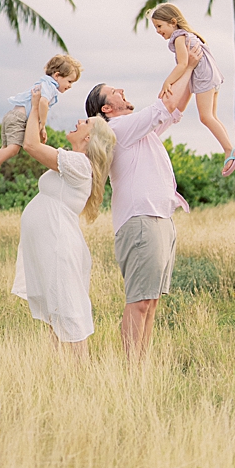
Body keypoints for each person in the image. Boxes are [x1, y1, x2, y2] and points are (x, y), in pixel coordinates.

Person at [83, 64, 198, 360]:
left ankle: (140, 366)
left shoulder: (137, 129)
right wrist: (189, 63)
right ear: (108, 107)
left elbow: (176, 107)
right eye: (114, 92)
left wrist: (195, 74)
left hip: (159, 218)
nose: (122, 91)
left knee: (151, 301)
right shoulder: (119, 127)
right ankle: (132, 371)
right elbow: (167, 104)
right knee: (140, 301)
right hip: (141, 220)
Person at [11, 85, 116, 358]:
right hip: (51, 244)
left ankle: (78, 374)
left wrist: (36, 106)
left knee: (68, 311)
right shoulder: (74, 162)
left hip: (58, 244)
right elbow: (36, 143)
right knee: (55, 311)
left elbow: (31, 146)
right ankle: (62, 374)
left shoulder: (80, 164)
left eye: (86, 122)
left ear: (90, 136)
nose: (80, 121)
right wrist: (38, 122)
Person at [148, 2, 235, 176]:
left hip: (204, 77)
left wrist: (167, 82)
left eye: (159, 26)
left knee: (205, 117)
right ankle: (229, 149)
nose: (158, 31)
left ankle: (229, 150)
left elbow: (183, 65)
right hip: (212, 76)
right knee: (212, 117)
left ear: (173, 22)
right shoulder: (189, 35)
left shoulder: (179, 37)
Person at [0, 54, 82, 197]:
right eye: (69, 81)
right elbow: (43, 103)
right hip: (19, 118)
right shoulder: (50, 86)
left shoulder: (44, 83)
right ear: (57, 75)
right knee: (13, 149)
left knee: (5, 148)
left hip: (13, 115)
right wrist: (42, 124)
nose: (69, 86)